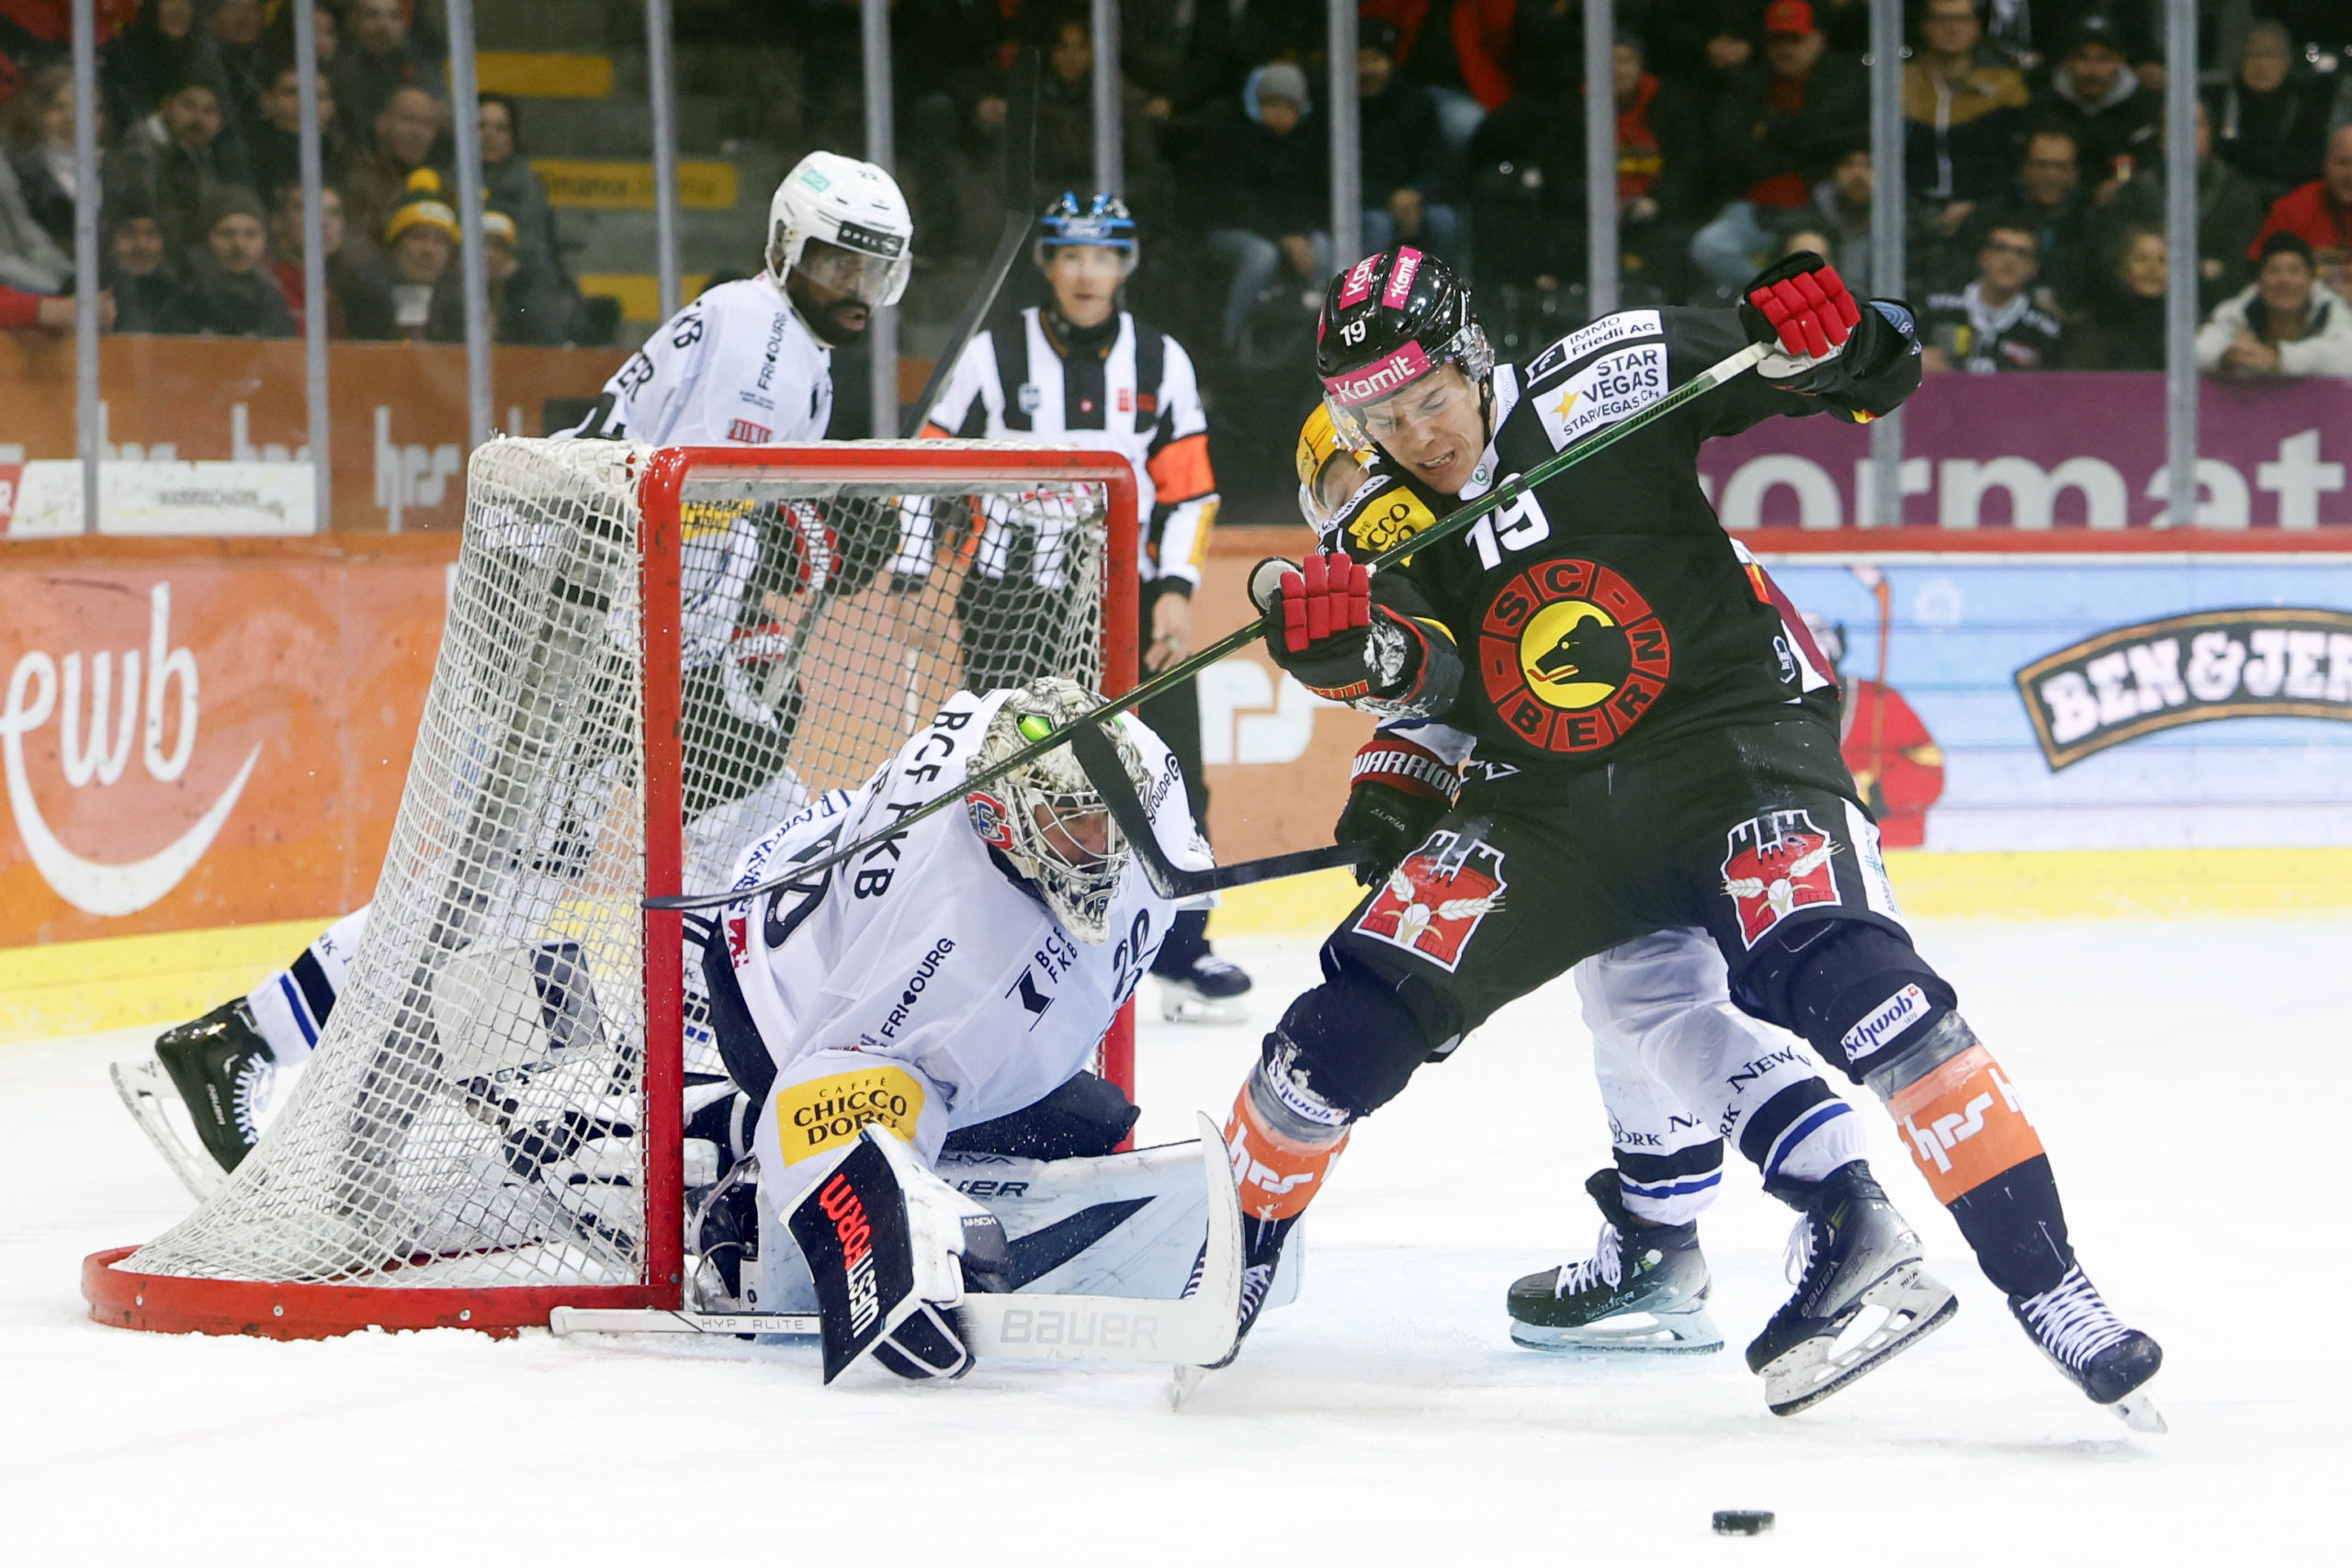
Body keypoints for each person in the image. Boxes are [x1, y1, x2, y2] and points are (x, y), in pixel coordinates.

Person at [1201, 244, 2163, 1430]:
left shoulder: (1603, 377)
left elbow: (1848, 373)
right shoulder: (1379, 522)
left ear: (1478, 361)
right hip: (1548, 808)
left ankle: (2056, 1290)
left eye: (1433, 399)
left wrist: (1847, 336)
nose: (1418, 433)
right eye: (1385, 416)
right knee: (1346, 1023)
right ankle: (1228, 1265)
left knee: (1866, 989)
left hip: (1726, 754)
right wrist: (1353, 661)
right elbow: (1437, 680)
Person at [139, 152, 922, 1185]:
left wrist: (800, 547)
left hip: (621, 632)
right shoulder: (760, 337)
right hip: (591, 635)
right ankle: (252, 1036)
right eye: (836, 266)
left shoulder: (785, 343)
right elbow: (697, 507)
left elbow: (719, 519)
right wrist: (807, 544)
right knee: (506, 892)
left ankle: (665, 1078)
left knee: (742, 846)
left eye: (873, 273)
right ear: (786, 246)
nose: (854, 294)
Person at [133, 676, 1206, 1386]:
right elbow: (837, 1079)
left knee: (557, 945)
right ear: (1002, 816)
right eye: (1069, 823)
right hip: (756, 929)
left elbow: (1015, 718)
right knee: (567, 1009)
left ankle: (283, 1033)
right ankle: (282, 1037)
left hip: (777, 857)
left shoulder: (1042, 754)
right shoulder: (943, 945)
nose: (1093, 844)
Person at [1297, 407, 1947, 1371]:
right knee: (1624, 999)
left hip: (1695, 749)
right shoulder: (1471, 509)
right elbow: (1467, 684)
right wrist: (1399, 788)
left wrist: (1417, 776)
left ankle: (1836, 1195)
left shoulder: (1485, 514)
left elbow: (1496, 675)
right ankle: (1661, 1240)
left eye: (1369, 492)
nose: (1371, 523)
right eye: (1345, 508)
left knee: (1645, 997)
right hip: (1693, 731)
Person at [911, 193, 1252, 1021]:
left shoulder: (1160, 359)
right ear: (1048, 265)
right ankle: (993, 947)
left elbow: (1189, 486)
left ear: (1125, 266)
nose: (1086, 272)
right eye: (1070, 255)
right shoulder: (994, 354)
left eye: (1103, 256)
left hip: (1127, 595)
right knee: (1002, 772)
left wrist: (1175, 589)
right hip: (1008, 598)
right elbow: (926, 460)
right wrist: (911, 570)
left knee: (1170, 769)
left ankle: (1181, 949)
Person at [1689, 0, 1869, 299]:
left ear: (1818, 40)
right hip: (1756, 206)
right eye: (1777, 40)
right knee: (1710, 245)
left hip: (1823, 204)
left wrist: (1771, 131)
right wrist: (1799, 137)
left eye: (1796, 40)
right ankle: (1773, 301)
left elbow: (1837, 142)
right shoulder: (1748, 86)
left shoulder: (1844, 84)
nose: (1786, 49)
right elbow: (1732, 152)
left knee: (1821, 257)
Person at [1197, 62, 1329, 349]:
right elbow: (1233, 202)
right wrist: (1283, 236)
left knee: (1324, 249)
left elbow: (1308, 200)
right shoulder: (1233, 139)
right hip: (1231, 230)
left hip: (1287, 232)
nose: (1280, 113)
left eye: (1289, 106)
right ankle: (1230, 340)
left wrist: (1299, 233)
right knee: (1261, 256)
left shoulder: (1307, 146)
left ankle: (1316, 340)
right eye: (1272, 103)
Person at [2097, 101, 2264, 313]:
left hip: (2215, 311)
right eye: (2174, 125)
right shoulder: (2134, 192)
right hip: (2137, 312)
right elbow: (2113, 262)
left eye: (2195, 125)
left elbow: (2237, 270)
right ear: (2161, 138)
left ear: (2209, 134)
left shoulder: (2238, 193)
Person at [1905, 0, 2030, 227]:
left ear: (1975, 27)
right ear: (1925, 26)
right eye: (1942, 20)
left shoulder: (2004, 86)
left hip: (1983, 212)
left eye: (1960, 20)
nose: (1951, 28)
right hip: (1910, 211)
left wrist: (1980, 207)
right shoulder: (1901, 84)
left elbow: (2012, 163)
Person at [1355, 18, 1460, 265]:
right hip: (1366, 206)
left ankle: (1444, 295)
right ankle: (1364, 299)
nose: (1368, 70)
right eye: (1359, 61)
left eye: (1375, 59)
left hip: (1416, 201)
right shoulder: (1336, 109)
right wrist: (1387, 199)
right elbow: (1327, 174)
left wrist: (1416, 194)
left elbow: (1439, 165)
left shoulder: (1416, 105)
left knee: (1443, 221)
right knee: (1378, 225)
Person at [2204, 19, 2333, 209]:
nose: (2261, 65)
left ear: (2286, 61)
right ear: (2240, 61)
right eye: (2253, 55)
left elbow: (2310, 163)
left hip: (2290, 200)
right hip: (2228, 201)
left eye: (2269, 55)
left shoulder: (2307, 104)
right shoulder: (2219, 102)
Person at [2031, 14, 2158, 206]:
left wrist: (2127, 185)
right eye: (2083, 58)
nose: (2092, 70)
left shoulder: (2146, 108)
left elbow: (2155, 169)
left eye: (2103, 59)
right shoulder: (2042, 106)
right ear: (2067, 61)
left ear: (2119, 61)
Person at [2196, 231, 2352, 380]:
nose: (2284, 280)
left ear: (2311, 279)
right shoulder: (2238, 311)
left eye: (2295, 271)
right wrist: (2226, 357)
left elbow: (2347, 356)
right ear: (2259, 280)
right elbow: (2198, 352)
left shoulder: (2333, 310)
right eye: (2273, 271)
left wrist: (2279, 358)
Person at [1921, 218, 2064, 371]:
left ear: (2034, 267)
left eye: (2021, 253)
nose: (2009, 261)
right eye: (2000, 248)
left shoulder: (2046, 331)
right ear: (1982, 257)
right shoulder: (1935, 309)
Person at [343, 167, 461, 342]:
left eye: (440, 241)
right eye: (417, 237)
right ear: (395, 246)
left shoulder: (462, 307)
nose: (429, 250)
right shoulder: (362, 299)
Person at [164, 183, 294, 338]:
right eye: (227, 234)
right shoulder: (185, 297)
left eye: (251, 234)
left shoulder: (271, 299)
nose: (239, 245)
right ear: (207, 239)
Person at [339, 83, 445, 255]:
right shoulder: (354, 180)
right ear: (382, 124)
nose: (418, 133)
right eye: (409, 120)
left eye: (428, 124)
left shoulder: (443, 188)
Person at [333, 0, 445, 149]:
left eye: (394, 16)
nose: (384, 25)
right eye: (372, 15)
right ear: (353, 22)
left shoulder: (420, 67)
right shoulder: (339, 75)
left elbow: (443, 116)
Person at [2246, 125, 2352, 265]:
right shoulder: (2292, 209)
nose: (2349, 175)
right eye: (2342, 163)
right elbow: (2260, 267)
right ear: (2325, 164)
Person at [2064, 225, 2166, 371]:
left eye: (2163, 260)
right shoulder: (2097, 325)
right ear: (2122, 269)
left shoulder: (2190, 327)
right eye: (2141, 259)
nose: (2152, 268)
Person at [6, 64, 83, 254]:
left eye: (84, 107)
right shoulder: (13, 172)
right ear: (36, 113)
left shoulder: (119, 171)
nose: (72, 118)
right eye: (58, 107)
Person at [266, 180, 351, 337]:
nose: (323, 222)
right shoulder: (265, 282)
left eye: (333, 213)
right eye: (308, 210)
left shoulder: (353, 285)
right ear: (278, 221)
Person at [101, 196, 185, 333]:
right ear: (110, 241)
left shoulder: (182, 298)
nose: (141, 245)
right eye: (128, 234)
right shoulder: (86, 290)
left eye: (151, 234)